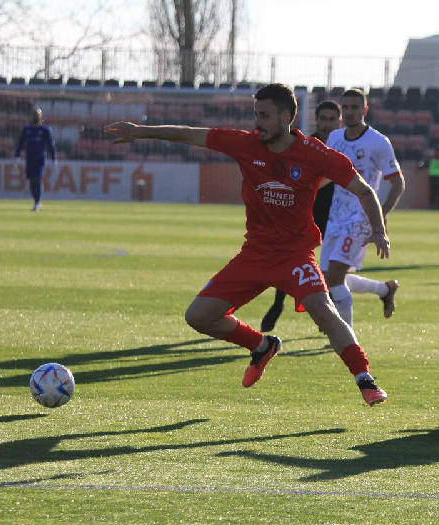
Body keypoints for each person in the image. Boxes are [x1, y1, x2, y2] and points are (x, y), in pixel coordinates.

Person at [104, 83, 390, 406]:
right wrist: (141, 132)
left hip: (294, 256)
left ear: (286, 117)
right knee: (198, 316)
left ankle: (365, 380)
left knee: (325, 312)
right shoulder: (246, 144)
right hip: (254, 255)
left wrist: (379, 230)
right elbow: (190, 135)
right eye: (256, 115)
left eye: (264, 115)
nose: (258, 123)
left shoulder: (314, 153)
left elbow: (364, 190)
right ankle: (261, 346)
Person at [321, 88, 405, 330]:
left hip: (360, 218)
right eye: (345, 107)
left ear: (365, 110)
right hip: (336, 217)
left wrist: (380, 214)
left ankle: (344, 336)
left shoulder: (378, 142)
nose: (350, 112)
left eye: (355, 107)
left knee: (336, 276)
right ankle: (385, 289)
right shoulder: (335, 138)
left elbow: (398, 183)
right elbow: (326, 175)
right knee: (329, 279)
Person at [260, 99, 342, 332]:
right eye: (323, 119)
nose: (327, 124)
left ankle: (330, 311)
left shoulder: (344, 145)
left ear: (339, 122)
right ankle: (278, 304)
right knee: (292, 257)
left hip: (338, 215)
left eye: (332, 120)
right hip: (308, 211)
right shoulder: (305, 145)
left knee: (333, 268)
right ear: (316, 120)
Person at [14, 108, 56, 211]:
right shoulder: (27, 129)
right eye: (34, 114)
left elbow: (51, 145)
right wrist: (17, 156)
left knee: (37, 179)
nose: (35, 117)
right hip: (29, 159)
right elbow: (20, 144)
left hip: (40, 159)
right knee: (32, 181)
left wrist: (53, 158)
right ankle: (37, 202)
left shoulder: (45, 130)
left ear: (41, 116)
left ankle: (37, 202)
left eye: (37, 114)